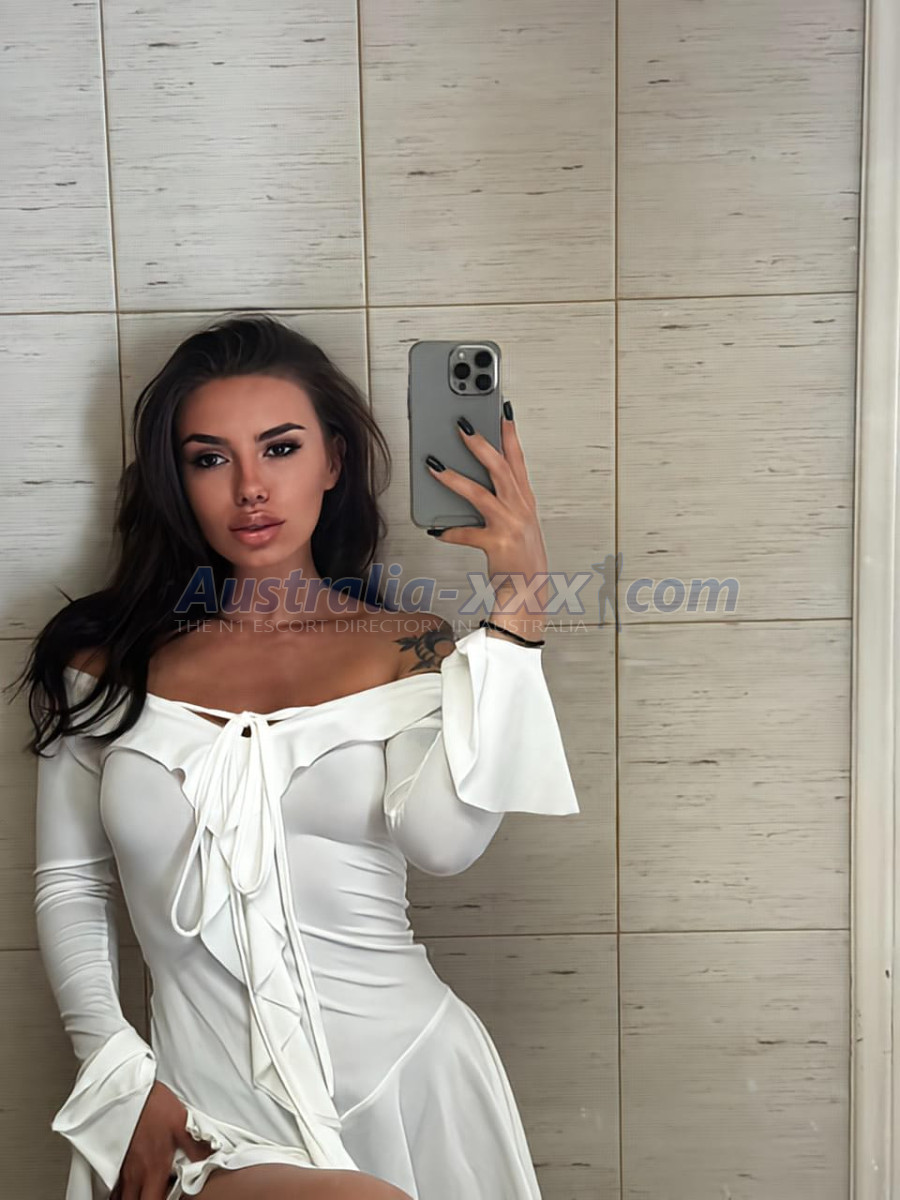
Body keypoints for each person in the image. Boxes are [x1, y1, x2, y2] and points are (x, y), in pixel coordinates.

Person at [15, 312, 580, 1200]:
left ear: (333, 461)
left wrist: (517, 612)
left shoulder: (409, 647)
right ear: (176, 479)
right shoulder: (101, 665)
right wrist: (116, 1071)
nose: (250, 488)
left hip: (409, 1087)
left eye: (280, 449)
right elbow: (71, 886)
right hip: (199, 1116)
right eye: (210, 459)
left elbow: (444, 845)